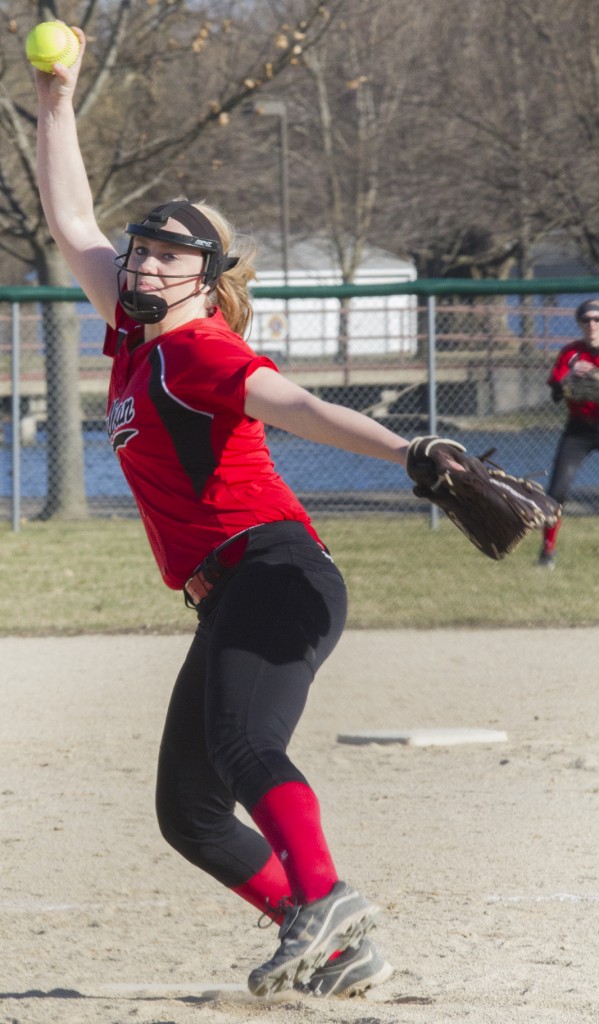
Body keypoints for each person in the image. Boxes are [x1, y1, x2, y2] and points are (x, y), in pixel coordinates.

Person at [32, 29, 434, 1000]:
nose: (143, 262)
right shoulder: (134, 338)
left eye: (170, 255)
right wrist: (55, 103)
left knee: (243, 746)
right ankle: (332, 935)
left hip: (277, 570)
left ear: (205, 278)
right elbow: (73, 218)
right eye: (143, 248)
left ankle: (327, 898)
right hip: (232, 591)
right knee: (191, 811)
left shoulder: (197, 351)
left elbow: (299, 408)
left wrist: (409, 451)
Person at [538, 298, 599, 568]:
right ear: (579, 324)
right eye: (586, 320)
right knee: (556, 492)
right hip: (580, 429)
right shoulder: (571, 353)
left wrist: (595, 375)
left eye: (597, 320)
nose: (592, 325)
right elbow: (555, 391)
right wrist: (571, 377)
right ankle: (547, 552)